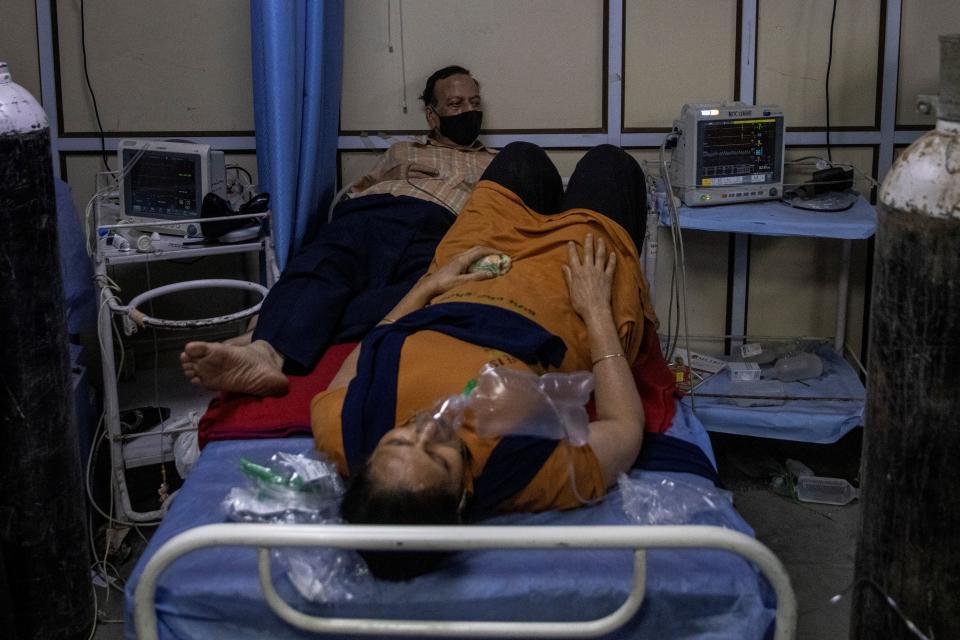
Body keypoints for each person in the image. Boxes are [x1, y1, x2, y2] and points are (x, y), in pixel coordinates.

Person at [309, 141, 657, 578]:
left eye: (398, 439)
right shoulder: (525, 472)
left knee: (523, 158)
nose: (427, 429)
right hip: (563, 292)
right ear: (459, 502)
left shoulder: (344, 434)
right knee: (610, 164)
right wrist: (596, 309)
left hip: (467, 276)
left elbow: (355, 367)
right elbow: (625, 427)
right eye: (439, 455)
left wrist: (425, 288)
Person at [181, 65, 496, 393]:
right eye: (456, 104)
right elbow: (360, 190)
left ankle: (269, 331)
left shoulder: (497, 163)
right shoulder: (402, 152)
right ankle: (265, 354)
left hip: (441, 227)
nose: (469, 111)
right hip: (376, 214)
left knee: (426, 294)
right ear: (433, 115)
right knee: (325, 264)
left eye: (475, 103)